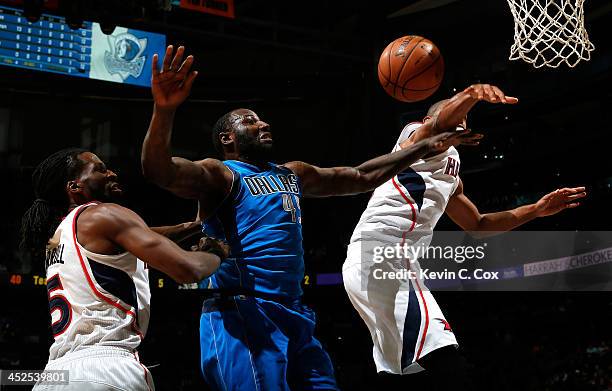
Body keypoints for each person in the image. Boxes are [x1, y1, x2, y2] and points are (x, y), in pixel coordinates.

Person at [141, 45, 481, 390]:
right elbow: (160, 172)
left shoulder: (292, 173)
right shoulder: (220, 175)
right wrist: (163, 111)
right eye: (250, 120)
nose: (263, 123)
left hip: (294, 312)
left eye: (261, 118)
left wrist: (425, 147)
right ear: (227, 138)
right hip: (243, 312)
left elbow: (361, 176)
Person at [341, 84, 587, 389]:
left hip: (373, 262)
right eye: (454, 120)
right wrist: (474, 93)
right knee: (447, 361)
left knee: (406, 374)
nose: (458, 127)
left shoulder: (451, 174)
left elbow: (478, 224)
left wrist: (535, 210)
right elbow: (437, 124)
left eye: (463, 123)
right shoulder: (413, 135)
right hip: (383, 253)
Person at [21, 148, 226, 391]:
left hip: (56, 374)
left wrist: (198, 225)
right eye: (100, 169)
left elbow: (149, 235)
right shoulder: (103, 214)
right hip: (106, 368)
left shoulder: (60, 235)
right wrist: (217, 253)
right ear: (75, 186)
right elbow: (188, 269)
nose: (111, 173)